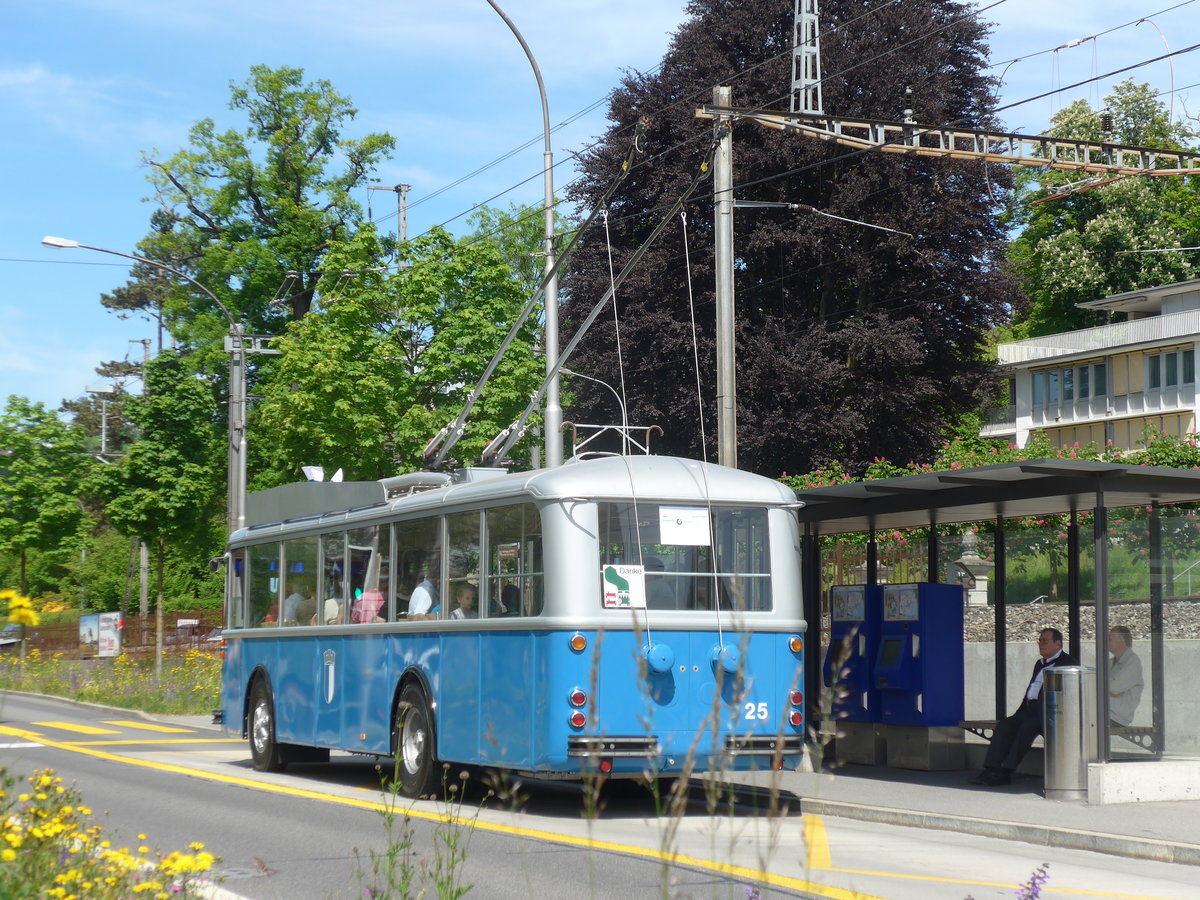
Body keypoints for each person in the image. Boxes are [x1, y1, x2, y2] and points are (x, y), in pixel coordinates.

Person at [969, 627, 1079, 787]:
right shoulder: (1039, 663)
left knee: (1026, 728)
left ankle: (1006, 772)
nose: (1041, 644)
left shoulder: (1068, 663)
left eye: (1045, 640)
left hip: (1048, 712)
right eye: (1039, 640)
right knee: (1005, 726)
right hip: (1029, 709)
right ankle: (991, 769)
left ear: (1058, 644)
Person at [1108, 625, 1144, 727]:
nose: (1107, 641)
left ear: (1122, 640)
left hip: (1117, 718)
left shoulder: (1133, 662)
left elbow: (1114, 688)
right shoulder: (1110, 662)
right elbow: (1097, 684)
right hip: (1104, 713)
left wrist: (1105, 689)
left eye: (1110, 638)